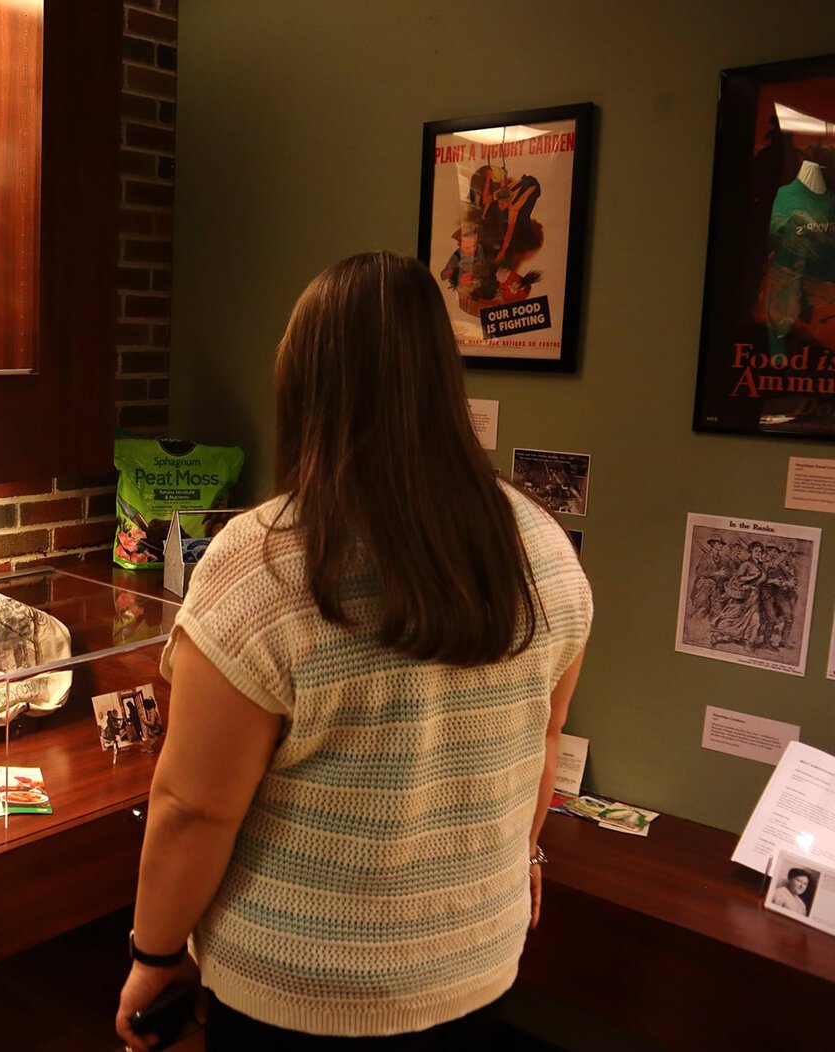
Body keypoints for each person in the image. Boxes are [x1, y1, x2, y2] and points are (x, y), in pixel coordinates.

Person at [115, 252, 592, 1050]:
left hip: (298, 990)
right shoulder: (544, 548)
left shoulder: (261, 563)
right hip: (476, 964)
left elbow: (192, 807)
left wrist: (154, 955)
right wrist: (528, 858)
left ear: (302, 386)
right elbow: (543, 740)